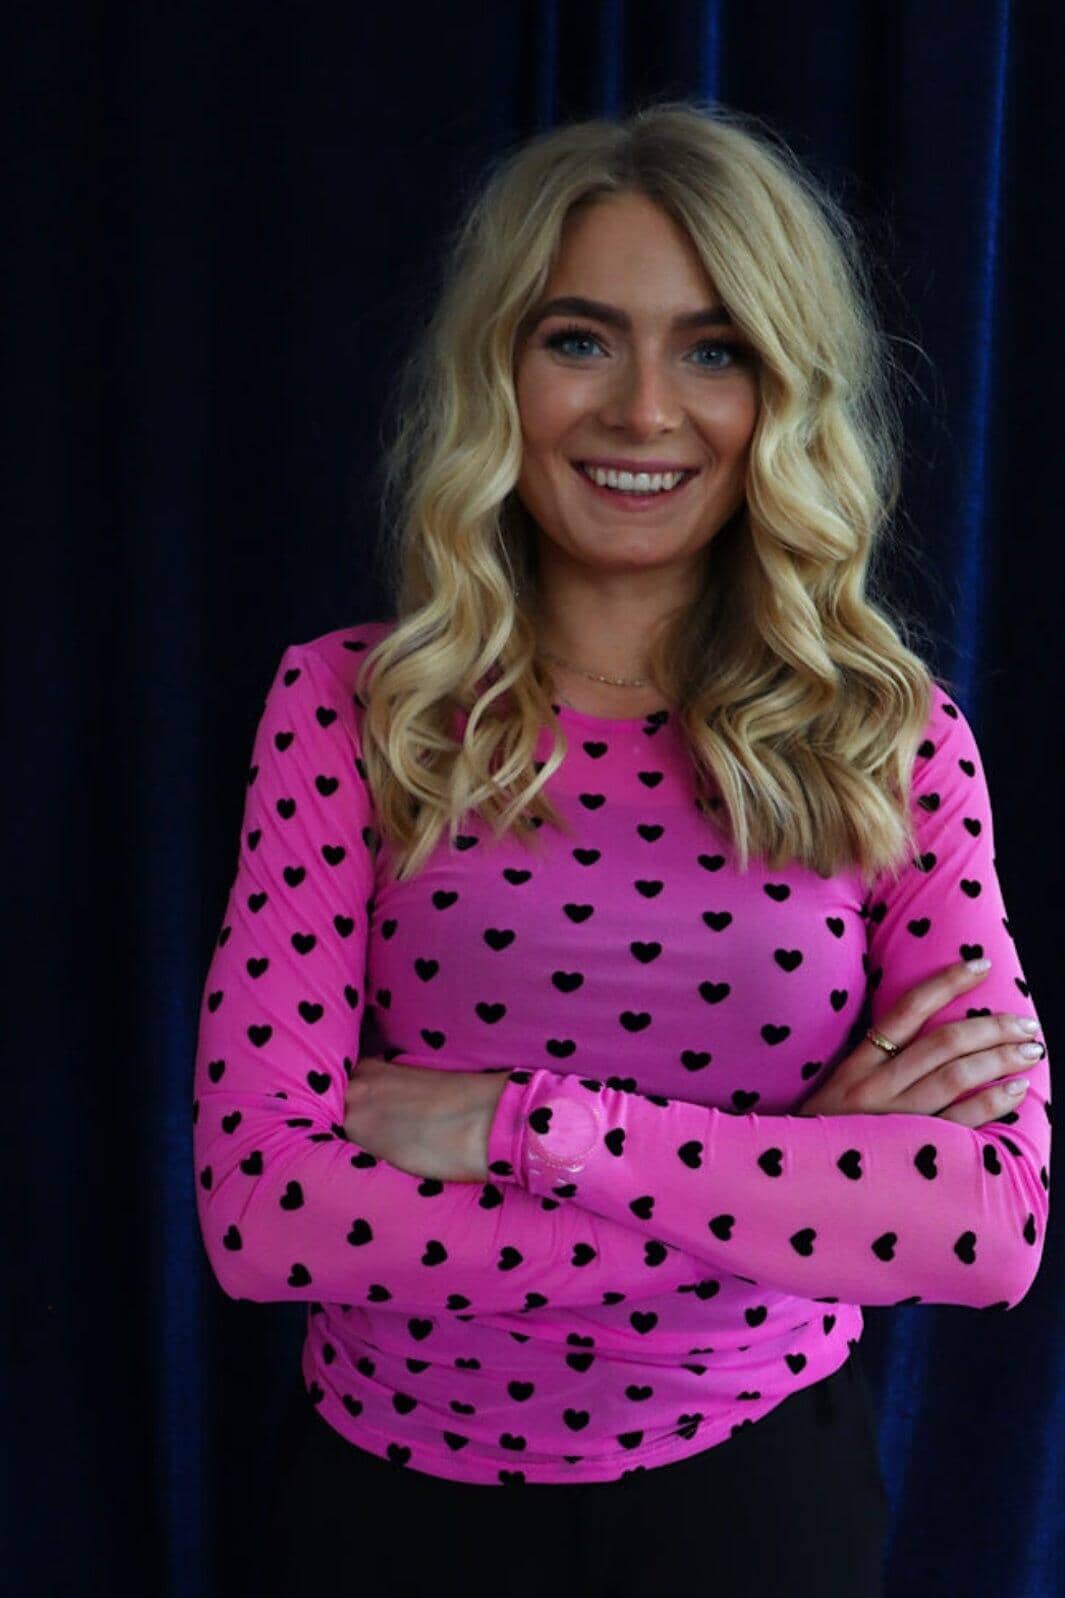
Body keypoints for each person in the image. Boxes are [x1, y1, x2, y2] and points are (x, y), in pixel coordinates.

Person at [192, 99, 1050, 1597]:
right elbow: (265, 1217)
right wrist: (794, 1189)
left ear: (780, 393)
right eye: (580, 339)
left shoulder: (891, 738)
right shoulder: (348, 710)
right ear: (498, 372)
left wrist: (530, 1130)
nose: (644, 411)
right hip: (392, 1510)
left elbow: (983, 1225)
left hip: (756, 1504)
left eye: (713, 350)